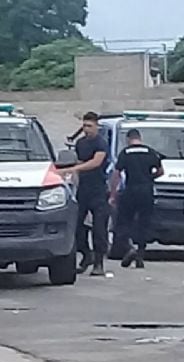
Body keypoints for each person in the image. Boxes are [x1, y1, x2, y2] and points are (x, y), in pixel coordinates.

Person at [61, 112, 110, 276]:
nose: (86, 129)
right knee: (76, 226)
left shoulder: (101, 143)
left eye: (89, 126)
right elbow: (79, 162)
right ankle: (86, 254)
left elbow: (96, 162)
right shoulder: (81, 143)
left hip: (99, 190)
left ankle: (99, 263)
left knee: (99, 228)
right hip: (83, 190)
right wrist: (71, 176)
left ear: (96, 126)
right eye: (84, 126)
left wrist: (73, 169)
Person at [109, 129, 164, 269]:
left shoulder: (125, 153)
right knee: (144, 223)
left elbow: (116, 174)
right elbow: (160, 171)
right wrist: (149, 178)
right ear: (140, 138)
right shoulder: (150, 152)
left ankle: (129, 248)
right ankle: (140, 255)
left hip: (131, 190)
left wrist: (113, 194)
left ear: (128, 139)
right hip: (146, 191)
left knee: (123, 222)